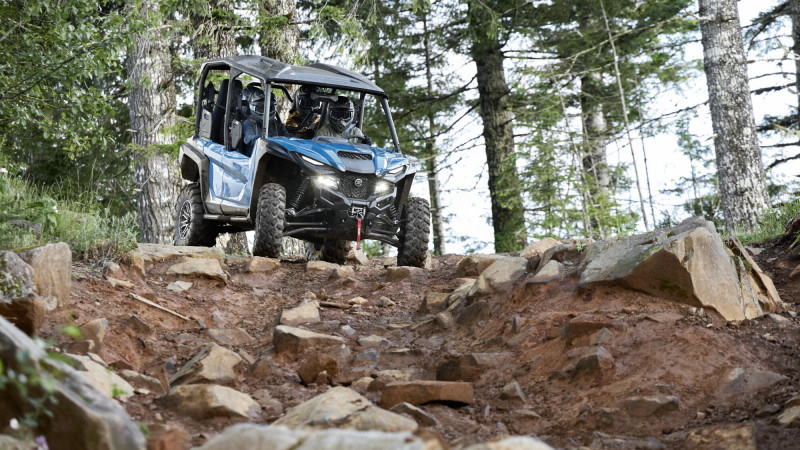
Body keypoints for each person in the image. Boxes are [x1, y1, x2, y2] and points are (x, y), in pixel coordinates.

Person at [243, 89, 288, 155]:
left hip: (276, 155)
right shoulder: (248, 123)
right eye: (261, 109)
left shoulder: (277, 124)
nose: (265, 112)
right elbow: (248, 139)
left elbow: (288, 138)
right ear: (253, 108)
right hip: (255, 157)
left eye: (269, 108)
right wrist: (264, 137)